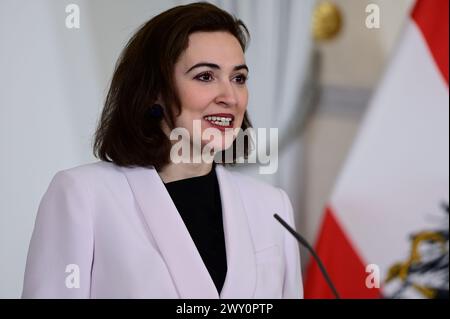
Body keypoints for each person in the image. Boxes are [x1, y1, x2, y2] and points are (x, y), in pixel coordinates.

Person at [22, 2, 302, 299]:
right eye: (205, 76)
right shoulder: (83, 195)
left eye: (239, 78)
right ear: (154, 90)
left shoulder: (273, 206)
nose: (230, 97)